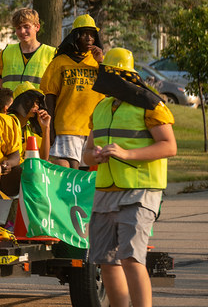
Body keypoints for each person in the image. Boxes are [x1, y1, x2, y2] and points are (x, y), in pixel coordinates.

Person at [83, 47, 176, 307]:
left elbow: (169, 146)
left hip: (140, 191)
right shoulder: (100, 107)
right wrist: (95, 156)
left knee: (131, 258)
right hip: (105, 192)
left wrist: (127, 154)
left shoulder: (151, 104)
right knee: (106, 261)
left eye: (110, 75)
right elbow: (87, 154)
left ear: (124, 76)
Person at [41, 14, 105, 168]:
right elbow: (50, 95)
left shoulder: (99, 62)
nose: (89, 38)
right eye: (84, 34)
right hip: (67, 126)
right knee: (71, 171)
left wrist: (101, 63)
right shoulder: (60, 62)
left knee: (90, 173)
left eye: (92, 34)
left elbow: (110, 88)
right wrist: (51, 129)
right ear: (75, 36)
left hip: (95, 127)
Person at [0, 8, 57, 91]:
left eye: (26, 27)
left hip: (39, 100)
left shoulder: (52, 54)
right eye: (18, 28)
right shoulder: (5, 53)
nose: (22, 31)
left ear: (37, 27)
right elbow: (0, 86)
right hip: (11, 100)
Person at [8, 82, 52, 161]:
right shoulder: (8, 122)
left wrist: (46, 128)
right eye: (31, 101)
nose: (36, 106)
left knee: (61, 163)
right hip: (10, 166)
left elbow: (44, 158)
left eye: (37, 102)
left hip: (25, 166)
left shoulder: (29, 129)